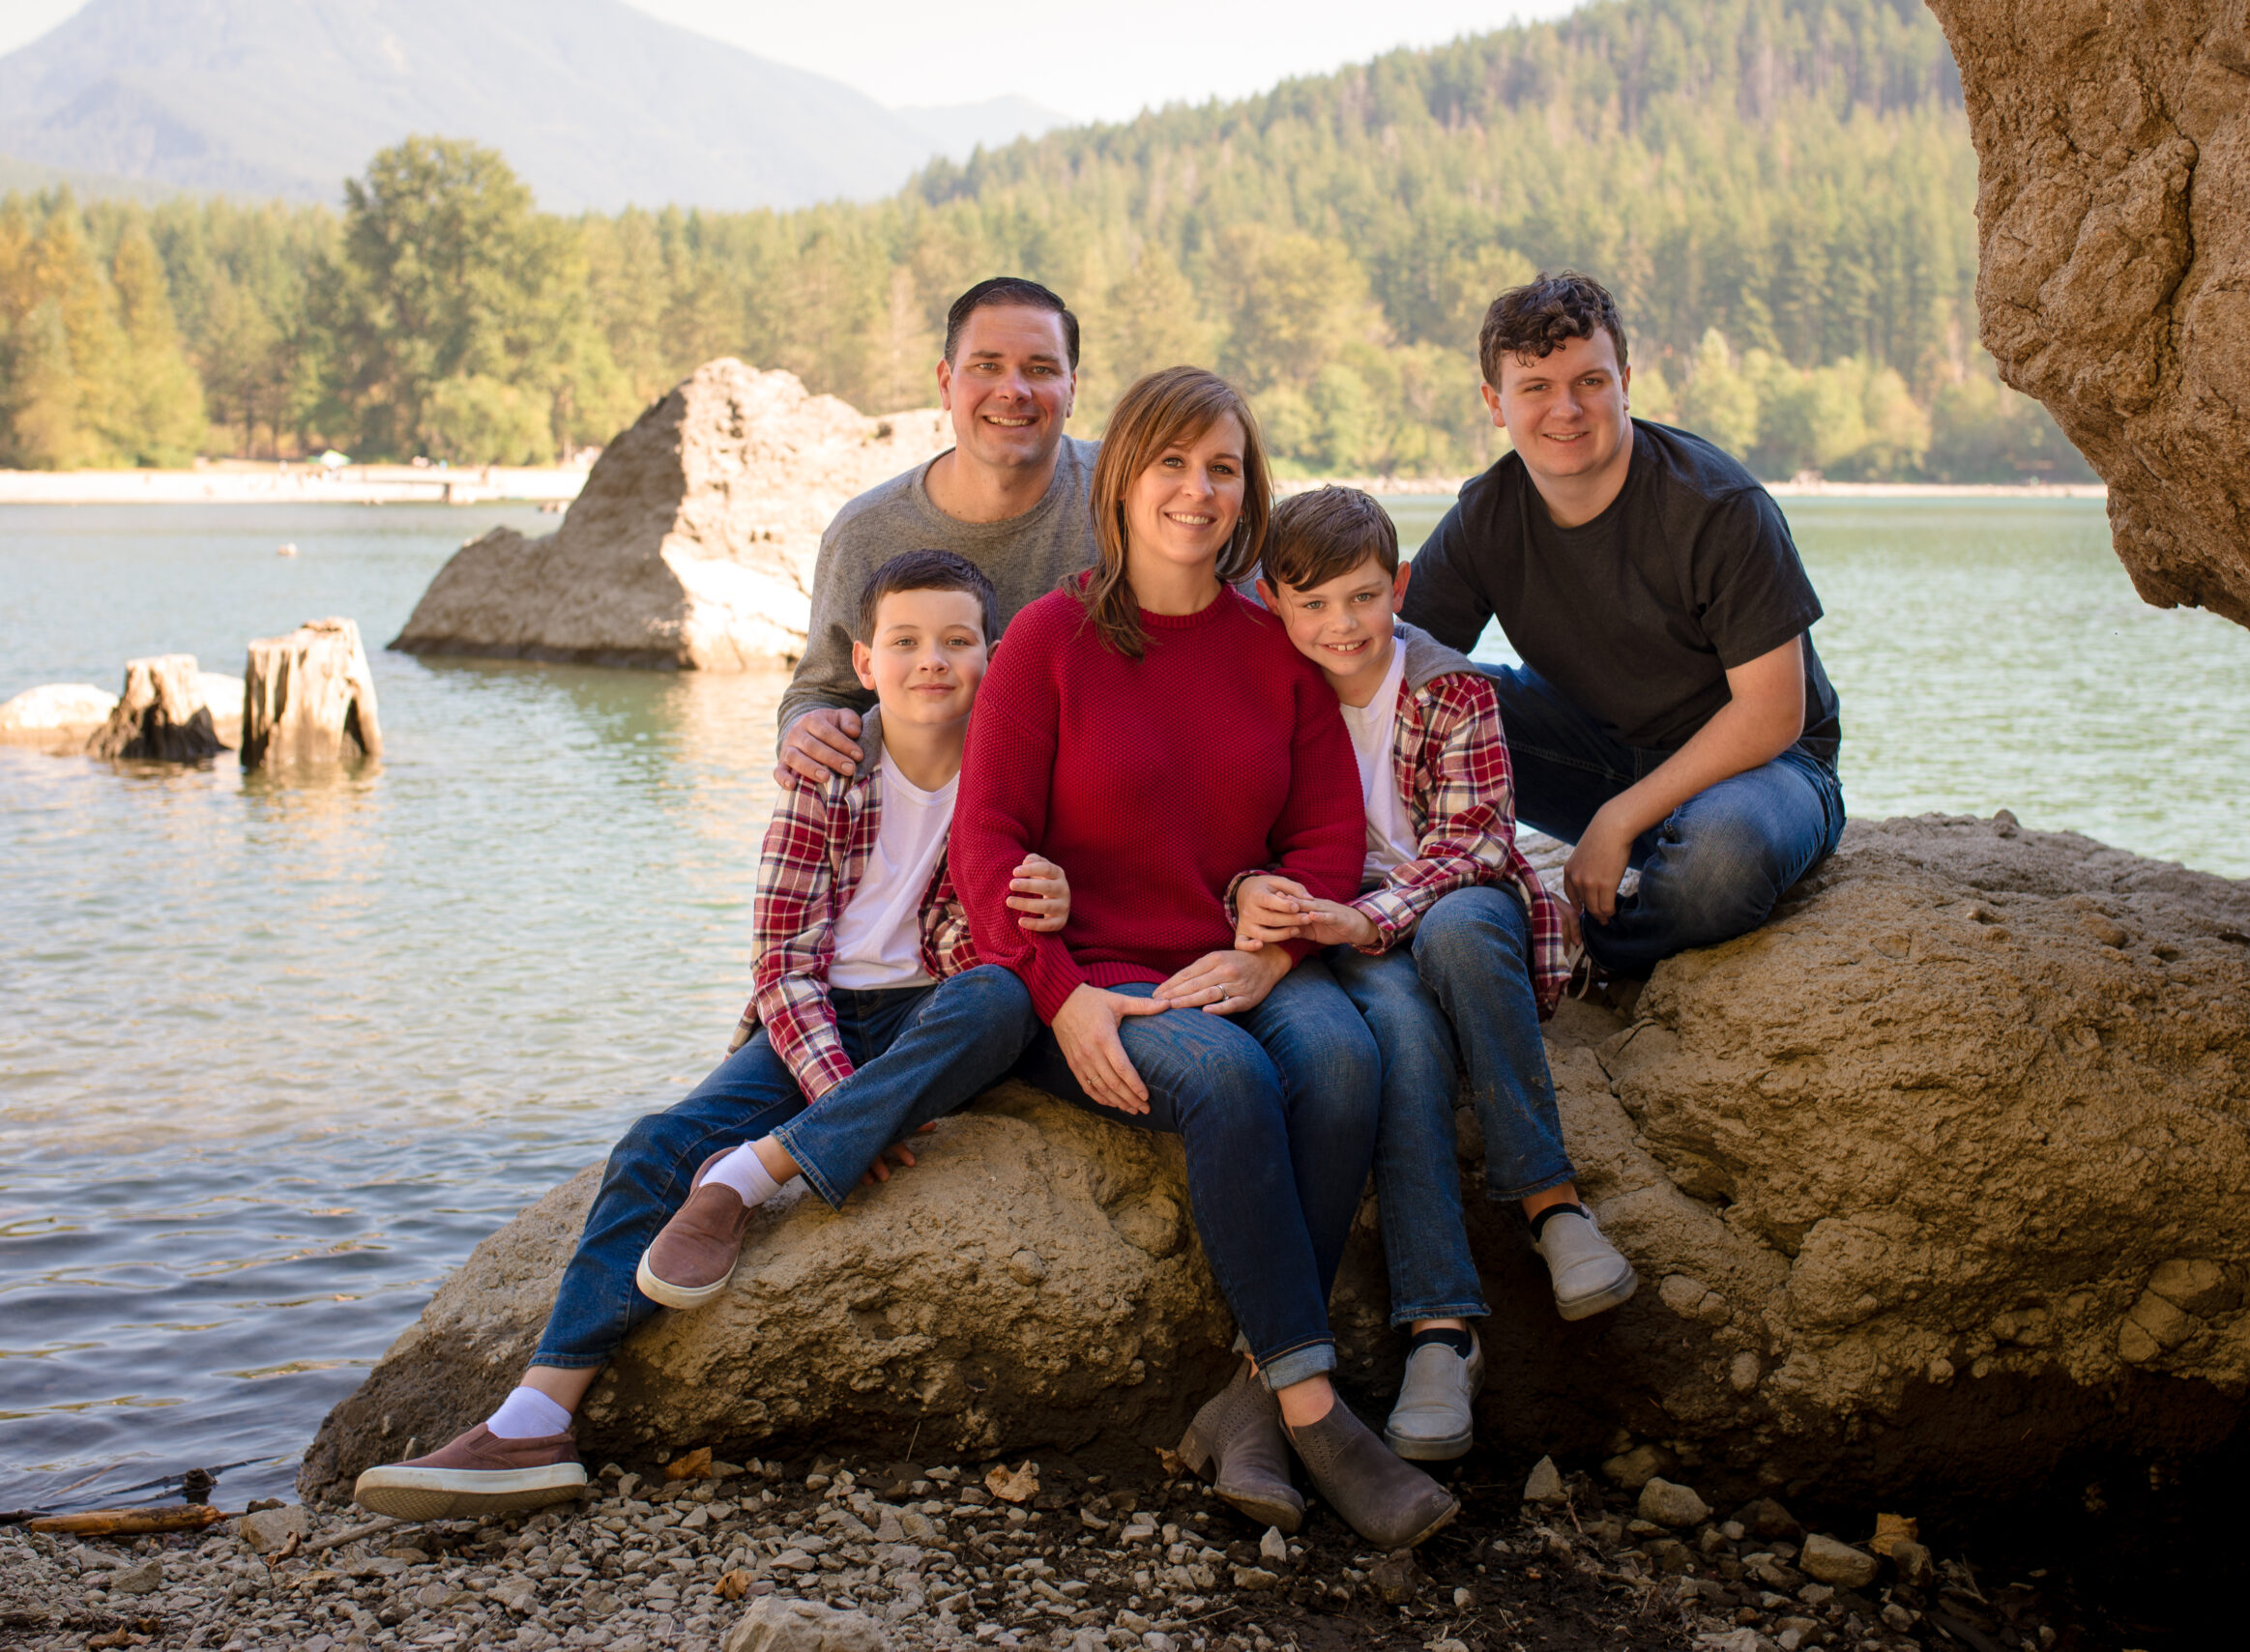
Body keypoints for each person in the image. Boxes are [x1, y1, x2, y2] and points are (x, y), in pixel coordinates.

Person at [352, 551, 1067, 1521]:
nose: (930, 660)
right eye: (904, 641)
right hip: (814, 1013)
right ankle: (535, 1417)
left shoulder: (1013, 772)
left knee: (997, 998)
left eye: (956, 641)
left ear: (993, 656)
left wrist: (1040, 895)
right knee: (653, 1141)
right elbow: (782, 962)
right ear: (865, 659)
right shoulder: (827, 767)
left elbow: (986, 944)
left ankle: (742, 1177)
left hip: (934, 1015)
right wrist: (842, 1103)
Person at [949, 366, 1458, 1551]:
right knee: (1229, 1080)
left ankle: (1244, 1397)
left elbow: (1326, 834)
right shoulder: (1048, 638)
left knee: (1336, 1058)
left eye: (1221, 467)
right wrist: (1066, 1002)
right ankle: (1318, 1412)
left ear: (1248, 489)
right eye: (1172, 462)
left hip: (1235, 960)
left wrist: (1275, 958)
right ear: (1122, 475)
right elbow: (985, 846)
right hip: (1095, 984)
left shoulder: (1271, 646)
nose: (1196, 489)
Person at [1235, 486, 1637, 1463]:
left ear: (1399, 586)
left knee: (1455, 929)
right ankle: (1440, 1332)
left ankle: (1552, 1203)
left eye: (1364, 597)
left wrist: (1361, 914)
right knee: (1402, 1039)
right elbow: (1233, 831)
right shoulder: (1268, 691)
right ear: (1274, 603)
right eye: (1315, 603)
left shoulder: (1450, 686)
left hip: (1459, 903)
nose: (1342, 624)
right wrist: (1271, 897)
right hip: (1348, 929)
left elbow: (1471, 847)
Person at [1401, 272, 1845, 978]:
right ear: (1495, 404)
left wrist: (1616, 821)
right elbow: (1391, 659)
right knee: (1424, 704)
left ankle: (1585, 952)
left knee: (1722, 864)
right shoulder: (1489, 516)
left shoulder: (1716, 505)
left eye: (1590, 382)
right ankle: (1428, 903)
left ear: (1626, 381)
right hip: (1595, 753)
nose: (1566, 410)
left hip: (1763, 772)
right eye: (1536, 388)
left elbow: (1774, 712)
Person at [775, 276, 1098, 792]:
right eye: (986, 366)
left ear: (1073, 389)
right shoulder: (865, 533)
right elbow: (822, 692)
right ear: (946, 384)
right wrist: (805, 731)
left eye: (1040, 369)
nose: (1013, 390)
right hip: (931, 829)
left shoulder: (1136, 495)